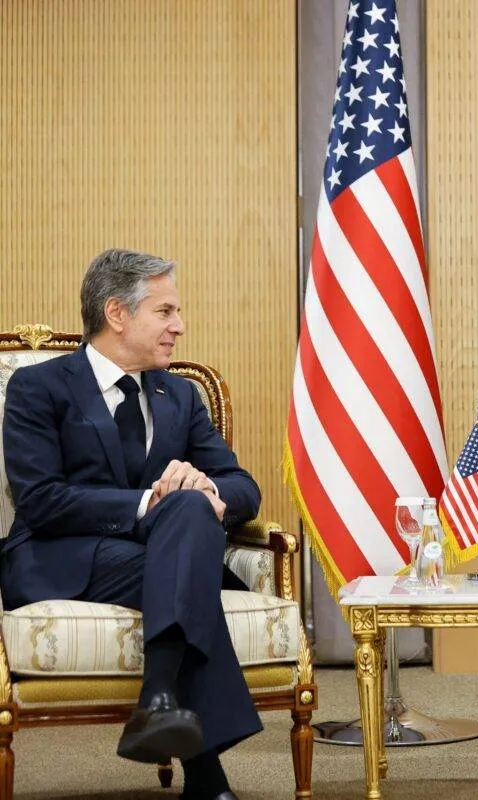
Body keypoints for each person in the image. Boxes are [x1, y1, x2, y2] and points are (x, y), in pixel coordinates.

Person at [0, 248, 263, 800]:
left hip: (152, 557)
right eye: (165, 312)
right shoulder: (39, 388)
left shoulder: (179, 396)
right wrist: (153, 501)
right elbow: (41, 499)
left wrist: (208, 494)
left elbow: (244, 487)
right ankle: (205, 773)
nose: (179, 327)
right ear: (117, 313)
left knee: (192, 506)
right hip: (59, 559)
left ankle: (160, 698)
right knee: (185, 552)